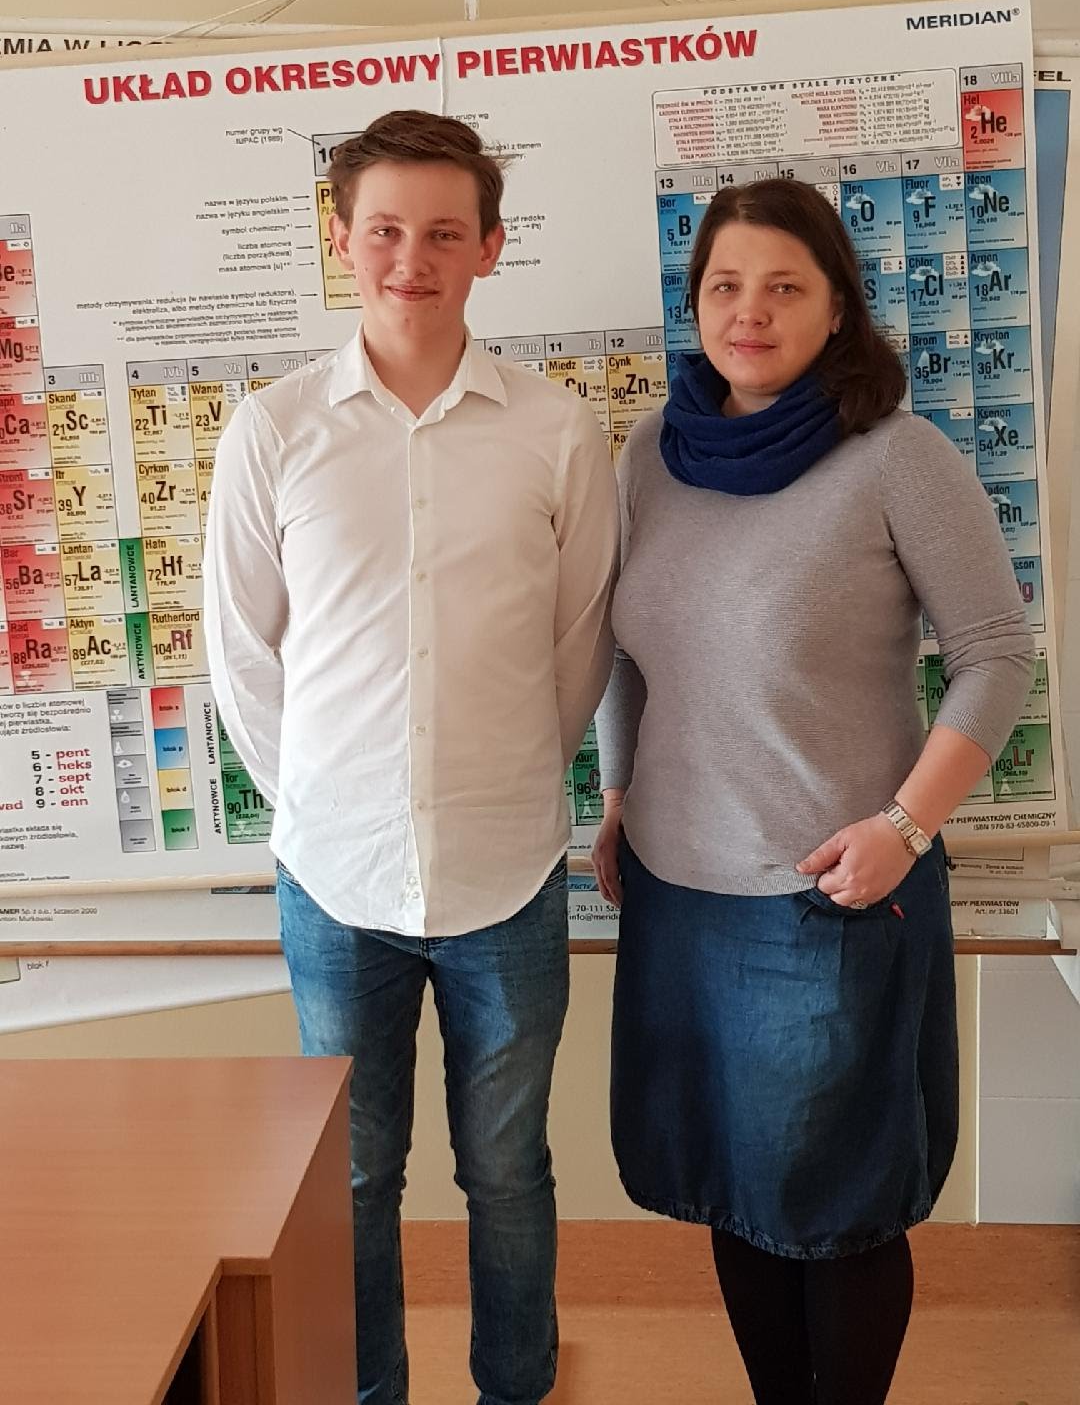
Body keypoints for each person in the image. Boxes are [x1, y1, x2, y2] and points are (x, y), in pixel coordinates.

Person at [591, 178, 1033, 1405]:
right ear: (696, 304)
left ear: (838, 307)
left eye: (785, 286)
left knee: (836, 1205)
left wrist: (906, 826)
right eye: (726, 285)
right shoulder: (652, 454)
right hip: (679, 894)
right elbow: (626, 652)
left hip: (831, 894)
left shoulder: (896, 456)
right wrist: (618, 793)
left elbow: (996, 655)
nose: (751, 311)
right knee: (736, 1186)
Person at [204, 109, 619, 1405]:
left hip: (508, 871)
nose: (411, 259)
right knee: (351, 1175)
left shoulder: (556, 431)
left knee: (507, 1169)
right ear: (340, 241)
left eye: (445, 233)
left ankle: (515, 1389)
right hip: (334, 881)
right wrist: (326, 800)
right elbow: (242, 658)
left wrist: (500, 781)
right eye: (384, 230)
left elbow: (579, 650)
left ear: (490, 246)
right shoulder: (273, 429)